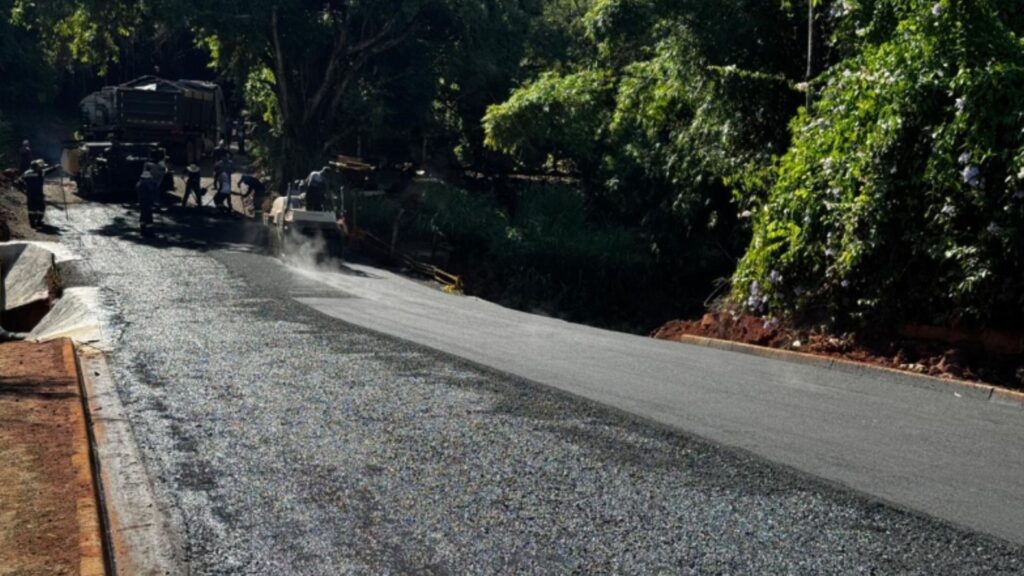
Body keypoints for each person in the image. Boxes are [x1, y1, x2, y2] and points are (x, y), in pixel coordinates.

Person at [16, 159, 46, 228]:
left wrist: (24, 188)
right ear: (36, 167)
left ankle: (32, 223)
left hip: (30, 193)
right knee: (41, 207)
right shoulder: (40, 172)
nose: (42, 168)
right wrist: (56, 167)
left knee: (31, 208)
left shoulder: (27, 172)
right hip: (38, 193)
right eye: (40, 167)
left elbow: (20, 180)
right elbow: (47, 171)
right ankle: (38, 221)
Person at [136, 169, 158, 234]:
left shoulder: (139, 184)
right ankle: (149, 231)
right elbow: (151, 190)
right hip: (146, 202)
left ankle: (143, 229)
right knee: (148, 216)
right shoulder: (145, 185)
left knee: (143, 215)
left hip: (142, 202)